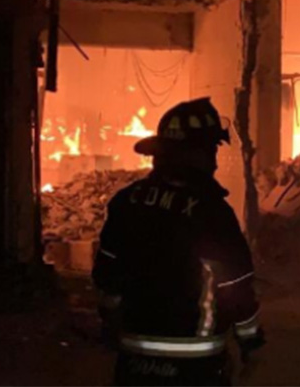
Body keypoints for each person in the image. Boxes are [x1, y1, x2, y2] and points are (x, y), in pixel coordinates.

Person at [92, 98, 264, 386]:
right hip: (196, 367)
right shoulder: (212, 212)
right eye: (212, 150)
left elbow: (106, 275)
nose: (215, 160)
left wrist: (111, 322)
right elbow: (236, 287)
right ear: (198, 154)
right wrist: (251, 342)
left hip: (134, 361)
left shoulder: (126, 202)